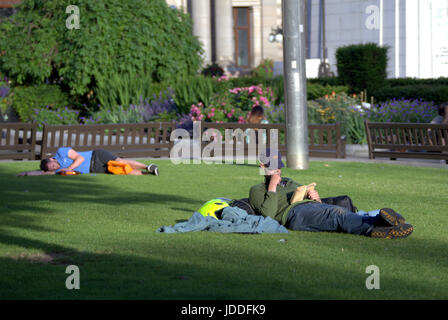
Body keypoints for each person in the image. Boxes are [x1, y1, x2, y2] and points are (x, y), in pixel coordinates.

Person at [248, 149, 414, 239]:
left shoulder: (290, 181)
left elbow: (317, 206)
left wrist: (315, 198)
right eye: (273, 167)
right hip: (292, 215)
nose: (278, 170)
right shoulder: (257, 190)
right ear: (263, 167)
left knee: (336, 214)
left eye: (279, 167)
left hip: (309, 208)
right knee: (337, 213)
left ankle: (382, 226)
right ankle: (376, 224)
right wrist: (272, 186)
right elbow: (268, 215)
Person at [19, 147, 159, 176]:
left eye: (53, 165)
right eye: (52, 168)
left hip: (96, 156)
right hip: (95, 169)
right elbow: (41, 173)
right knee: (122, 172)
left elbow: (80, 158)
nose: (55, 167)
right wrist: (25, 173)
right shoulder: (56, 171)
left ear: (51, 159)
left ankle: (148, 166)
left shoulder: (62, 152)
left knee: (121, 162)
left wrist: (70, 168)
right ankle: (148, 174)